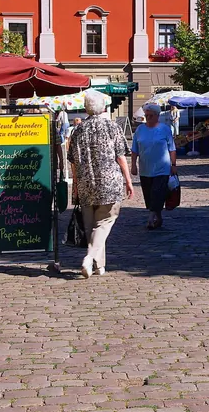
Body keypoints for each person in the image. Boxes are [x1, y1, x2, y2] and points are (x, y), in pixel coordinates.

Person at [68, 91, 134, 279]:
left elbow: (73, 161)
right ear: (103, 107)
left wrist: (75, 185)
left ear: (86, 108)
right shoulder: (112, 127)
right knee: (104, 223)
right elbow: (120, 156)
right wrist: (128, 180)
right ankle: (90, 258)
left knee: (92, 227)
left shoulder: (78, 130)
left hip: (86, 184)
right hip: (108, 184)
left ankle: (99, 266)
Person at [130, 103, 177, 230]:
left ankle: (151, 218)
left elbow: (172, 148)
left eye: (151, 115)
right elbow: (134, 149)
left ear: (157, 116)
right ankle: (159, 217)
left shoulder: (165, 129)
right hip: (145, 168)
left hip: (162, 167)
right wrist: (133, 165)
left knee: (158, 192)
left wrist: (173, 164)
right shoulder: (140, 130)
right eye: (146, 116)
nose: (148, 118)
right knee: (149, 195)